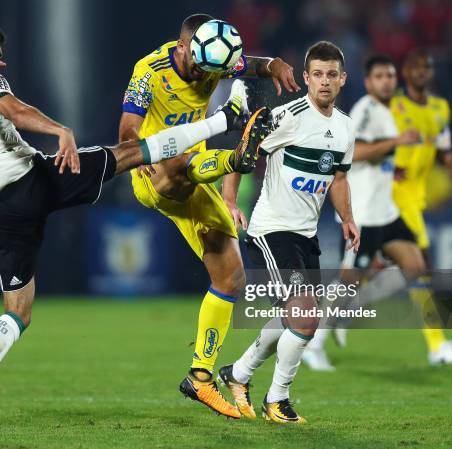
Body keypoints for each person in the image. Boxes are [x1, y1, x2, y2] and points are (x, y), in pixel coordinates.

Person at [0, 16, 266, 438]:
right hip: (34, 179)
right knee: (133, 152)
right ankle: (224, 124)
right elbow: (14, 110)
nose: (0, 64)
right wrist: (59, 129)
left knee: (17, 311)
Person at [118, 13, 300, 419]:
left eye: (214, 72)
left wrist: (274, 65)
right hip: (154, 173)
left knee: (231, 275)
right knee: (176, 162)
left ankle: (199, 377)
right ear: (183, 47)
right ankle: (235, 154)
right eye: (200, 67)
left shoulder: (215, 57)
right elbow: (128, 127)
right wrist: (136, 150)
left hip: (197, 172)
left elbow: (248, 64)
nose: (206, 75)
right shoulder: (149, 72)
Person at [217, 41, 360, 423]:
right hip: (272, 229)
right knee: (306, 317)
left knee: (294, 318)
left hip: (305, 235)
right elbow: (241, 150)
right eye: (317, 74)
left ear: (342, 79)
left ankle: (238, 373)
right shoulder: (289, 116)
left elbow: (339, 177)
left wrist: (347, 218)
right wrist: (230, 202)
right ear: (307, 78)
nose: (325, 82)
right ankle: (277, 399)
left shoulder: (345, 128)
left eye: (332, 74)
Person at [301, 54, 426, 371]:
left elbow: (378, 155)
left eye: (390, 75)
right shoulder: (365, 111)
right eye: (380, 76)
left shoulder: (388, 112)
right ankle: (313, 344)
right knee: (347, 279)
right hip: (365, 214)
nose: (387, 81)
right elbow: (354, 154)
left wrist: (391, 168)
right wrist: (397, 142)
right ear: (369, 82)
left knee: (414, 265)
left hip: (386, 211)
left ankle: (351, 309)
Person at [391, 49, 452, 365]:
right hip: (391, 197)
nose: (422, 72)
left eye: (426, 66)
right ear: (406, 73)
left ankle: (316, 335)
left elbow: (443, 146)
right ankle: (437, 345)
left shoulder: (441, 108)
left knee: (360, 274)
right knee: (419, 268)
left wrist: (449, 158)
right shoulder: (393, 107)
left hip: (414, 199)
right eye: (415, 67)